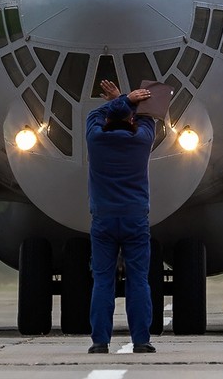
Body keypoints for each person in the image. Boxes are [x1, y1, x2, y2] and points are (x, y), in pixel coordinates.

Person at [85, 79, 156, 354]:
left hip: (103, 219)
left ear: (106, 120)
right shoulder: (141, 141)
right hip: (135, 219)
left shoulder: (95, 138)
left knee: (103, 280)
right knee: (138, 280)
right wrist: (131, 101)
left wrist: (122, 100)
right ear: (130, 121)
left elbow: (96, 115)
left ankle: (100, 342)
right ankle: (141, 340)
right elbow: (148, 116)